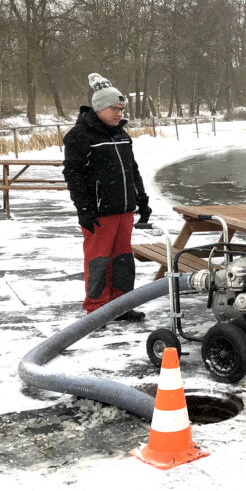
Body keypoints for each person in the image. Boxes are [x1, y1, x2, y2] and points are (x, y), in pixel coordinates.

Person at [63, 73, 152, 321]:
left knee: (123, 260)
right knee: (99, 260)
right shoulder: (80, 136)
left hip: (124, 209)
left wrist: (141, 200)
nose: (119, 114)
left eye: (122, 109)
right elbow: (73, 174)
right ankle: (97, 310)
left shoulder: (121, 134)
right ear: (100, 107)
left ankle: (121, 305)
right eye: (115, 108)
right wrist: (84, 208)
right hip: (99, 213)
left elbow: (131, 169)